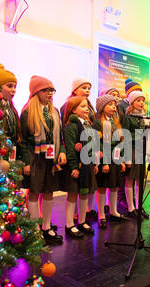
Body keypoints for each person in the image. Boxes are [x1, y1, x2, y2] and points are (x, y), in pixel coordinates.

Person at [20, 75, 67, 244]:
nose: (50, 93)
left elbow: (60, 135)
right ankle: (34, 229)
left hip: (51, 158)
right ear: (36, 92)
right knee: (33, 192)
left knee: (49, 192)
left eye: (51, 90)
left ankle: (46, 226)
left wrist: (61, 151)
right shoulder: (27, 112)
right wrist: (25, 162)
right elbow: (23, 141)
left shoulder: (54, 111)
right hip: (35, 158)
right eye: (45, 90)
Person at [60, 78, 97, 219]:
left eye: (89, 88)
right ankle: (73, 216)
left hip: (87, 158)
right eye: (84, 87)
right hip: (76, 159)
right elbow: (68, 132)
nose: (87, 90)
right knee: (74, 190)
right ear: (75, 90)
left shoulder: (89, 110)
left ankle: (83, 215)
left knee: (85, 190)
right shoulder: (69, 108)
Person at [92, 94, 128, 228]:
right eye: (110, 104)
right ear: (102, 107)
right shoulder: (97, 123)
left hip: (115, 158)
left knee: (114, 186)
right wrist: (105, 162)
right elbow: (100, 144)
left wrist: (121, 161)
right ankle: (101, 214)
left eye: (114, 105)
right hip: (104, 159)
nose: (113, 107)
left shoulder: (115, 122)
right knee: (102, 187)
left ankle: (113, 211)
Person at [122, 90, 149, 219]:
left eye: (143, 100)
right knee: (130, 179)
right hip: (132, 149)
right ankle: (131, 207)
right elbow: (125, 137)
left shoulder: (144, 118)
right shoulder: (128, 118)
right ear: (132, 102)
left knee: (140, 179)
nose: (141, 103)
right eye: (138, 100)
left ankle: (139, 206)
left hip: (140, 150)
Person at [0, 64, 21, 153]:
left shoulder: (11, 108)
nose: (13, 90)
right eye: (9, 86)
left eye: (15, 86)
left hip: (12, 153)